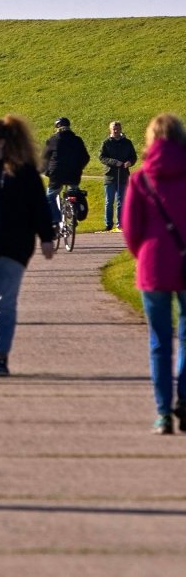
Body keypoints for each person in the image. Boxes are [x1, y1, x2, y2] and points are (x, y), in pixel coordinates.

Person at [0, 116, 55, 377]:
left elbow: (39, 206)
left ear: (1, 142)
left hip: (14, 246)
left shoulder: (22, 171)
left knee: (4, 302)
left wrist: (46, 238)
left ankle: (1, 355)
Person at [122, 114, 186, 434]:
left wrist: (143, 255)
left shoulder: (141, 178)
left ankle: (163, 412)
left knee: (160, 341)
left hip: (153, 266)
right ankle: (185, 399)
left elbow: (131, 230)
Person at [42, 117, 89, 226]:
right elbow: (85, 157)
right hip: (73, 174)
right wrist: (79, 167)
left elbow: (45, 158)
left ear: (57, 127)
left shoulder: (53, 140)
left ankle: (56, 219)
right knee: (73, 192)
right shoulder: (77, 140)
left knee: (50, 196)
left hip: (57, 174)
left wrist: (46, 171)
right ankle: (74, 213)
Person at [100, 121, 138, 232]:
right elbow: (102, 157)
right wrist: (114, 162)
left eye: (117, 129)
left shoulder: (127, 143)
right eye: (113, 129)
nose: (116, 131)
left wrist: (129, 163)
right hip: (110, 175)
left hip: (123, 175)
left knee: (122, 201)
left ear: (121, 129)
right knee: (109, 201)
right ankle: (108, 224)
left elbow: (133, 157)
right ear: (110, 130)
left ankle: (120, 224)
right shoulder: (106, 143)